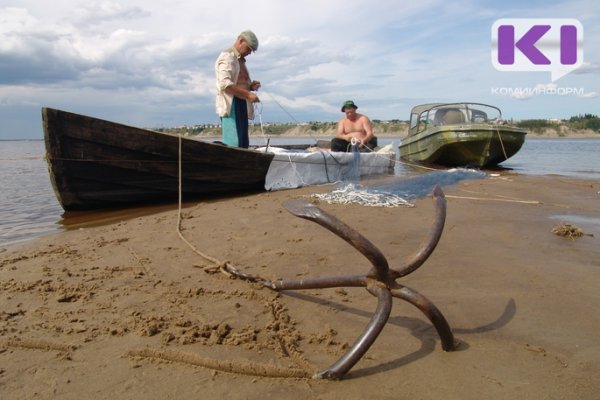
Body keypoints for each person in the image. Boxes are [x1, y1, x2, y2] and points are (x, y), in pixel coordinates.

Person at [215, 30, 261, 148]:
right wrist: (248, 95)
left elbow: (238, 83)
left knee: (243, 143)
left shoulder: (239, 60)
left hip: (241, 104)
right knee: (234, 143)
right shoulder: (227, 56)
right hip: (232, 105)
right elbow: (225, 84)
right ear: (241, 41)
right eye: (249, 49)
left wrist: (251, 87)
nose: (250, 53)